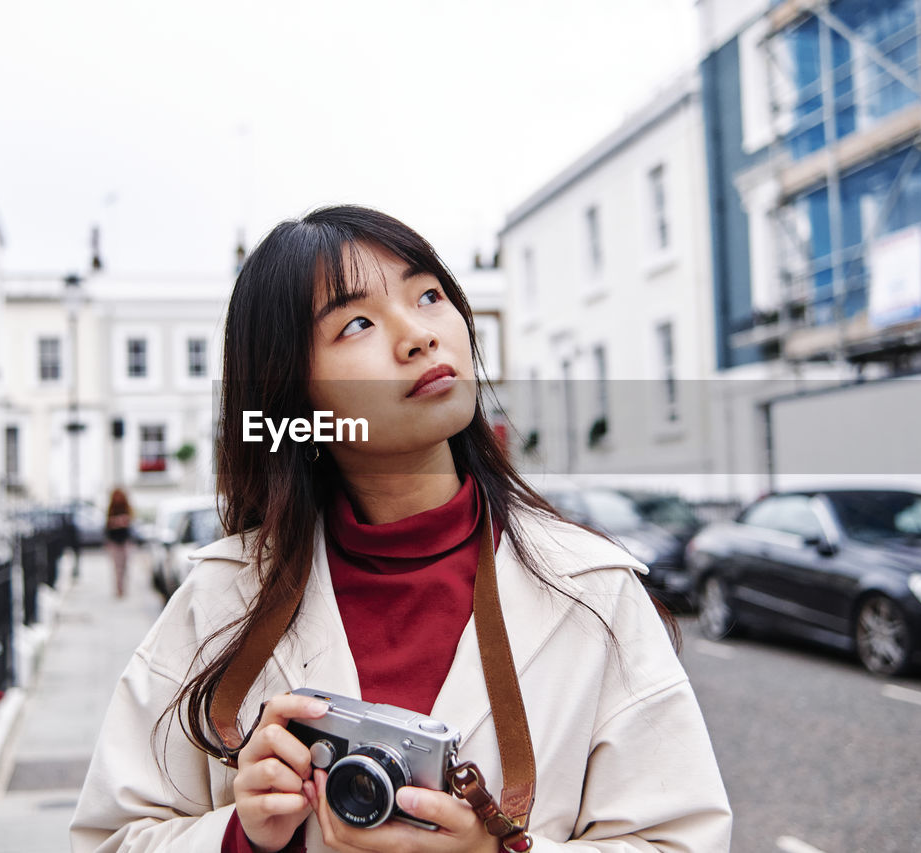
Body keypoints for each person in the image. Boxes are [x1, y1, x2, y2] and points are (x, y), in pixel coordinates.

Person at [70, 206, 732, 852]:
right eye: (357, 322)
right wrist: (243, 834)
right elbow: (111, 836)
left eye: (429, 294)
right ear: (295, 398)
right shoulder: (218, 601)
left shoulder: (592, 587)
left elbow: (681, 837)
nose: (418, 334)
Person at [104, 487, 133, 598]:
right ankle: (119, 588)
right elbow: (107, 526)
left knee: (125, 565)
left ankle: (124, 587)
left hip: (125, 540)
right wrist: (117, 522)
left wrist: (120, 521)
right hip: (114, 541)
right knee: (117, 566)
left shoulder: (126, 508)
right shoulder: (111, 509)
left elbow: (130, 521)